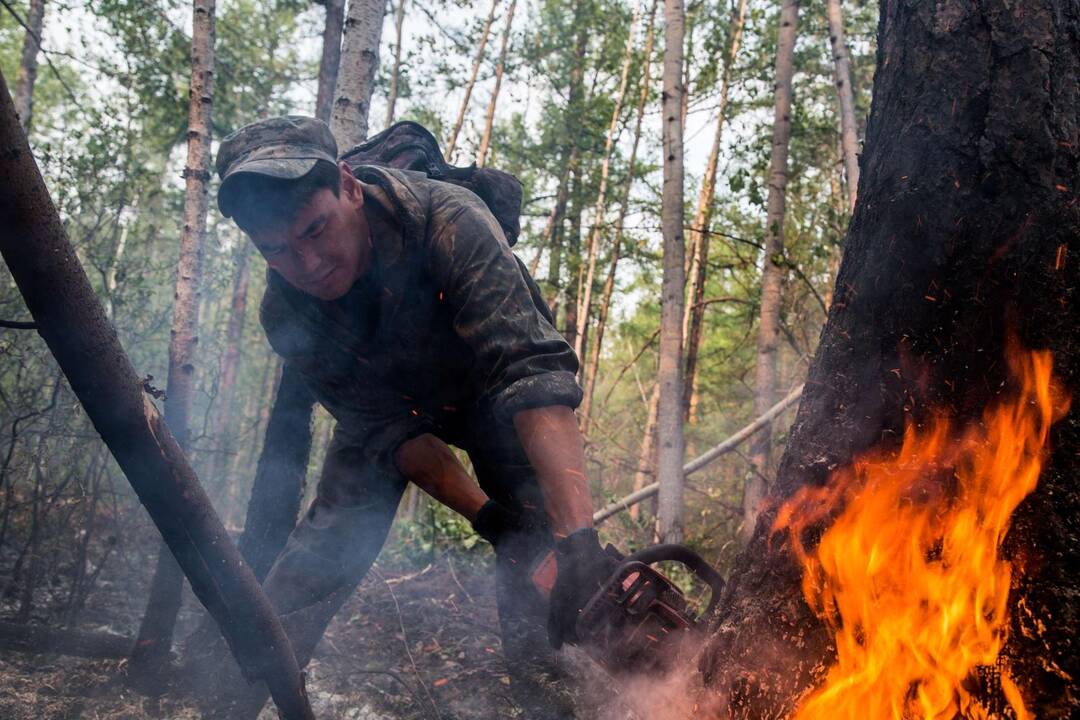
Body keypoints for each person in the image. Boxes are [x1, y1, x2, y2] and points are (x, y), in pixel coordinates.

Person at [209, 115, 616, 718]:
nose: (309, 263)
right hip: (393, 408)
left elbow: (533, 374)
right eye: (277, 250)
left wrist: (576, 540)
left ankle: (552, 700)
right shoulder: (285, 313)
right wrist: (485, 517)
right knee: (315, 560)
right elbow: (389, 434)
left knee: (538, 552)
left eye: (316, 230)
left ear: (348, 186)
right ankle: (230, 702)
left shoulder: (450, 222)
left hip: (495, 393)